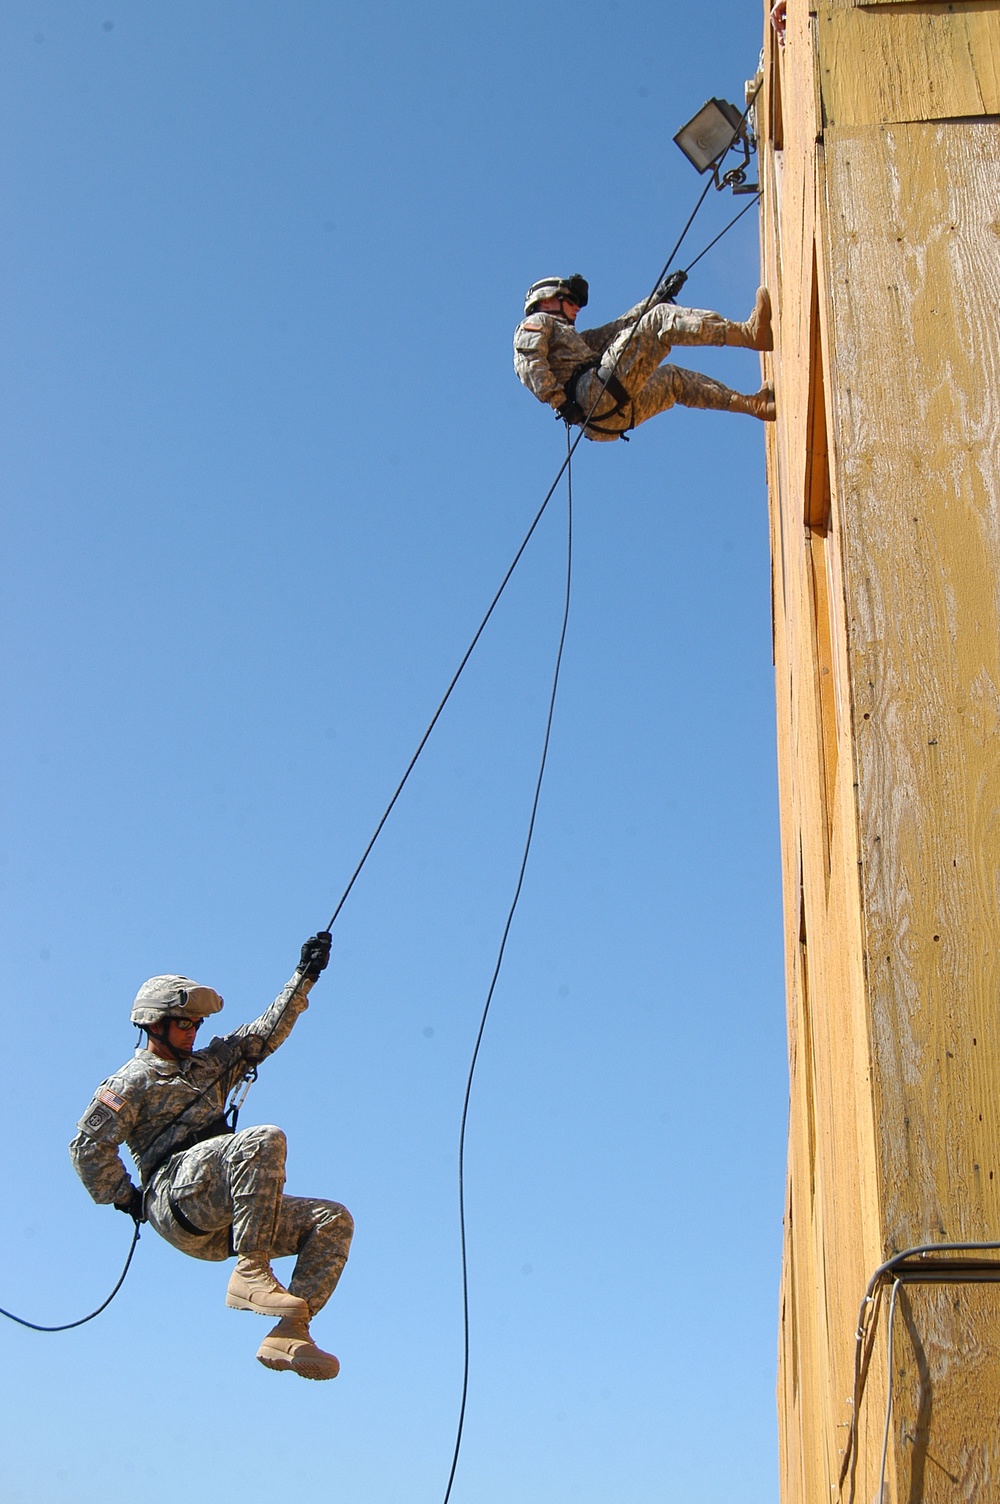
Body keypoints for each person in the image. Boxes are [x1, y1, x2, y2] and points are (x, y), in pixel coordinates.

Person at [70, 932, 353, 1381]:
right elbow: (89, 1147)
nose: (192, 1031)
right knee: (263, 1139)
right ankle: (250, 1272)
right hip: (175, 1197)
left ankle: (290, 1332)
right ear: (154, 1025)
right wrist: (126, 1198)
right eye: (184, 1023)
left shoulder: (209, 1064)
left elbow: (263, 1033)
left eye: (196, 1024)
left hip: (225, 1220)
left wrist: (305, 976)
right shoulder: (131, 1081)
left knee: (331, 1220)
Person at [513, 273, 775, 440]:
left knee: (673, 380)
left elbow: (622, 327)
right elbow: (529, 362)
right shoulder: (536, 322)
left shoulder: (576, 342)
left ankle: (754, 406)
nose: (577, 307)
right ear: (546, 302)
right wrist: (559, 403)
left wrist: (659, 296)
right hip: (592, 394)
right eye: (569, 299)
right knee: (660, 320)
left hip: (608, 419)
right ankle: (748, 334)